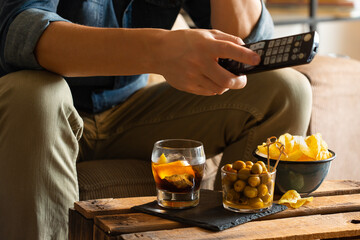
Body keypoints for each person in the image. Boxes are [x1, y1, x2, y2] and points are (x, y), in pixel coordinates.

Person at [0, 0, 312, 239]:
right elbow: (20, 31)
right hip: (36, 113)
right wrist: (159, 50)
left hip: (129, 111)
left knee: (286, 91)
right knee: (36, 93)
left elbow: (246, 51)